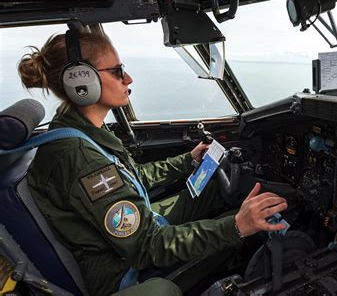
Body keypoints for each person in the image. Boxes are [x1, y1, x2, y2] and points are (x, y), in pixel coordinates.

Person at [18, 31, 288, 295]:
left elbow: (131, 177)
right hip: (120, 270)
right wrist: (237, 226)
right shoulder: (79, 157)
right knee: (240, 225)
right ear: (82, 82)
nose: (128, 78)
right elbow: (148, 246)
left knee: (213, 191)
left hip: (123, 238)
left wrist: (187, 161)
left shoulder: (79, 129)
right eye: (117, 71)